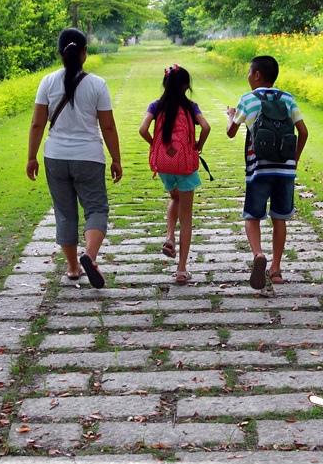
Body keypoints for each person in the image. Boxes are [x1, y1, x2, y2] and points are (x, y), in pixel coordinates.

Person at [27, 28, 122, 289]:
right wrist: (116, 159)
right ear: (84, 53)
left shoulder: (47, 82)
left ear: (60, 54)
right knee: (96, 209)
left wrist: (31, 157)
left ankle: (72, 268)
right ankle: (89, 256)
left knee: (65, 213)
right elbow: (109, 127)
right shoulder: (97, 84)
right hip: (89, 157)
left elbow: (37, 124)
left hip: (55, 156)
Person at [225, 55, 308, 289]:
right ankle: (276, 269)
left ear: (257, 75)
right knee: (280, 218)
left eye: (249, 72)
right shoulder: (288, 98)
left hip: (259, 169)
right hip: (285, 171)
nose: (248, 76)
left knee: (252, 215)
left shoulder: (248, 100)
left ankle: (259, 254)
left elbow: (231, 132)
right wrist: (294, 160)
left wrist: (231, 115)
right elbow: (303, 132)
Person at [139, 65, 211, 283]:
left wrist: (156, 146)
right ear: (186, 85)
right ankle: (181, 269)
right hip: (185, 164)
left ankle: (169, 236)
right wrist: (197, 145)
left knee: (174, 197)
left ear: (164, 84)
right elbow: (206, 127)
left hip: (165, 164)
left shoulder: (156, 106)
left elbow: (142, 130)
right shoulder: (190, 107)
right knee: (186, 217)